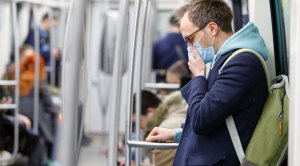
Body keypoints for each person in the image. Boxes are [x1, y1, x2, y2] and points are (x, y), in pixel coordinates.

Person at [146, 0, 269, 165]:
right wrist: (175, 134)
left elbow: (201, 120)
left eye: (191, 39)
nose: (189, 47)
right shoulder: (224, 60)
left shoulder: (242, 63)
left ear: (212, 28)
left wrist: (198, 76)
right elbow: (217, 119)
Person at [24, 13, 60, 85]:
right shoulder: (35, 33)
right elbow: (31, 51)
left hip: (42, 70)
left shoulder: (44, 34)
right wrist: (50, 51)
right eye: (53, 26)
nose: (53, 29)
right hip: (35, 70)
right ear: (47, 21)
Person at [152, 15, 188, 82]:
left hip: (163, 85)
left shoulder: (158, 44)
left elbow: (152, 66)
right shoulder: (190, 43)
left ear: (169, 25)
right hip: (186, 84)